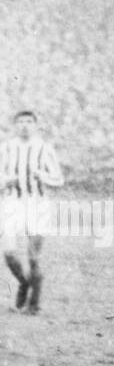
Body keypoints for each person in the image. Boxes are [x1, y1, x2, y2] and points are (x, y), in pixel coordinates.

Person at [1, 109, 64, 313]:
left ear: (35, 125)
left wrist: (42, 176)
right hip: (12, 203)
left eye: (29, 121)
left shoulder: (44, 149)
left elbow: (58, 179)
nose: (25, 125)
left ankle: (34, 305)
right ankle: (23, 282)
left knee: (33, 257)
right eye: (21, 121)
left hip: (37, 205)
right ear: (15, 125)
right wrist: (5, 181)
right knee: (9, 253)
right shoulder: (6, 148)